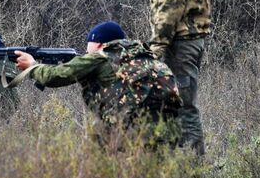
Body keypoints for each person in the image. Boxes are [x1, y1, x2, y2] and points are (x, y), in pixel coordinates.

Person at [14, 21, 182, 146]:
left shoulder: (101, 55)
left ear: (100, 44)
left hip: (130, 136)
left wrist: (33, 66)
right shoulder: (146, 57)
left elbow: (56, 76)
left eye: (89, 47)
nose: (86, 52)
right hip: (167, 133)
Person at [139, 0, 213, 156]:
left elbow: (171, 3)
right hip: (193, 37)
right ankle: (176, 168)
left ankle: (193, 172)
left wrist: (156, 46)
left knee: (182, 106)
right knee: (177, 103)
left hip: (179, 42)